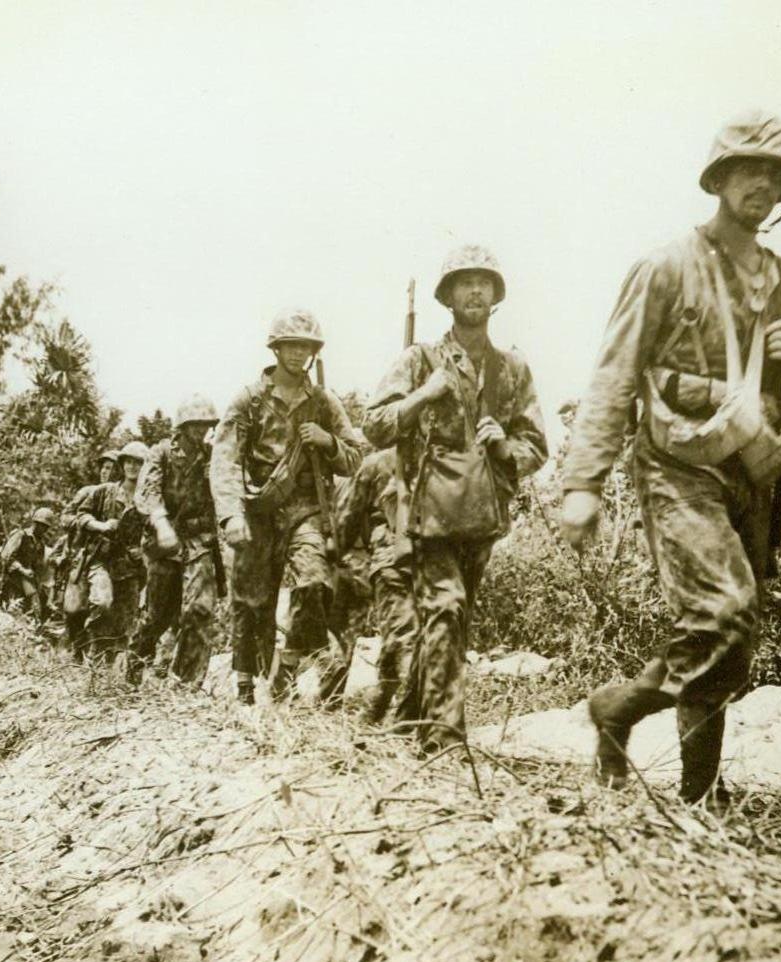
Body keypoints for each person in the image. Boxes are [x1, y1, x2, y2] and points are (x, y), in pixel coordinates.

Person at [560, 110, 781, 807]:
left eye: (776, 174)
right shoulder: (667, 267)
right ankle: (621, 708)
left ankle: (699, 791)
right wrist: (582, 481)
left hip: (752, 473)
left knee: (733, 634)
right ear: (720, 178)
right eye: (748, 169)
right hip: (677, 466)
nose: (762, 185)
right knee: (724, 614)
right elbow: (615, 373)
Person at [364, 245, 548, 752]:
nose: (475, 291)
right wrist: (425, 394)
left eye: (483, 283)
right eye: (464, 283)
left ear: (495, 296)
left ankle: (406, 723)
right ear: (447, 297)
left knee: (449, 622)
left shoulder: (510, 368)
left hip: (482, 512)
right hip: (428, 511)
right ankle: (443, 740)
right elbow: (374, 425)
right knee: (445, 608)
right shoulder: (420, 360)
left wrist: (505, 446)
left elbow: (537, 445)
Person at [211, 309, 362, 704]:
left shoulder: (324, 403)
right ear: (276, 349)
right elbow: (225, 460)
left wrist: (328, 442)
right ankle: (246, 684)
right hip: (258, 511)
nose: (298, 353)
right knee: (251, 600)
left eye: (306, 346)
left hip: (306, 511)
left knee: (313, 582)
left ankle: (289, 668)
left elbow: (355, 458)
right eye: (292, 345)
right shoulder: (249, 400)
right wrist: (230, 515)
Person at [130, 393, 223, 687]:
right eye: (195, 425)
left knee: (200, 609)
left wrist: (216, 477)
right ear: (182, 427)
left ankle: (185, 685)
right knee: (157, 616)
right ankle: (135, 665)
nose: (201, 431)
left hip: (199, 540)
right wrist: (160, 523)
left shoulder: (212, 457)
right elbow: (148, 491)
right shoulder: (161, 453)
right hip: (165, 540)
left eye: (206, 425)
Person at [331, 447, 419, 722]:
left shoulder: (375, 464)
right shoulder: (447, 455)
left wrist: (335, 552)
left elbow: (348, 518)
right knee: (401, 639)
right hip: (438, 562)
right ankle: (373, 718)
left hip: (392, 560)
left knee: (402, 639)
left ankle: (410, 722)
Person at [64, 442, 150, 663]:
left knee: (124, 624)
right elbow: (81, 516)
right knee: (101, 602)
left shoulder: (149, 500)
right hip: (100, 560)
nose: (133, 467)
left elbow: (158, 531)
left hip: (130, 568)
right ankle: (85, 646)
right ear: (122, 464)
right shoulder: (104, 491)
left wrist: (143, 549)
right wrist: (100, 526)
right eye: (129, 461)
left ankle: (105, 669)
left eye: (139, 463)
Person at [0, 508, 56, 619]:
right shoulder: (21, 535)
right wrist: (22, 570)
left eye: (46, 527)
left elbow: (38, 565)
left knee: (36, 605)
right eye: (42, 525)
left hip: (30, 579)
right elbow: (5, 556)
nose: (44, 529)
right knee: (14, 607)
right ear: (35, 523)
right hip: (14, 578)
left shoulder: (40, 543)